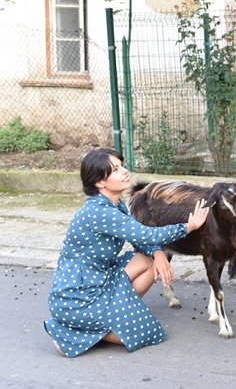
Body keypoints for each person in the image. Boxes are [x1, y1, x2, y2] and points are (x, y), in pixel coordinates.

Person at [43, 148, 210, 357]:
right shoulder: (99, 212)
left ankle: (114, 317)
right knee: (147, 334)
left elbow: (138, 238)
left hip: (100, 281)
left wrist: (158, 254)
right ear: (100, 182)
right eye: (115, 169)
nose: (124, 171)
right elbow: (146, 234)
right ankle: (67, 331)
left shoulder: (115, 205)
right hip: (77, 297)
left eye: (122, 165)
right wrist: (188, 226)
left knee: (147, 260)